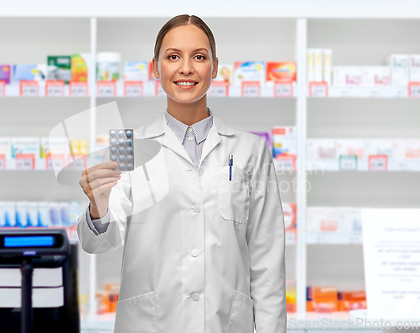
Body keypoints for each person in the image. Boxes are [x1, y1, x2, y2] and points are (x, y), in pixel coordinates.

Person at [78, 14, 286, 333]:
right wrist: (98, 207)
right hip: (150, 323)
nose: (185, 68)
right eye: (173, 56)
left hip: (226, 324)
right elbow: (99, 244)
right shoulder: (127, 147)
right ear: (155, 67)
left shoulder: (251, 151)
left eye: (198, 57)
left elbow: (267, 260)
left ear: (214, 67)